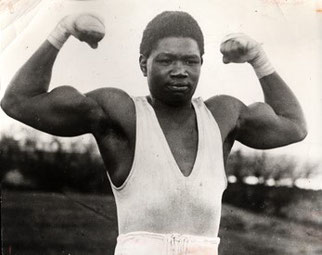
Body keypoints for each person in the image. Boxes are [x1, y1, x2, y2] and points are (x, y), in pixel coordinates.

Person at [1, 11, 307, 255]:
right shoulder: (121, 113)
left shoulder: (223, 115)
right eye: (165, 60)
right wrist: (63, 30)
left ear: (202, 64)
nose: (179, 70)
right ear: (143, 65)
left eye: (190, 61)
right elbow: (19, 101)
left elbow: (293, 125)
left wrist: (258, 58)